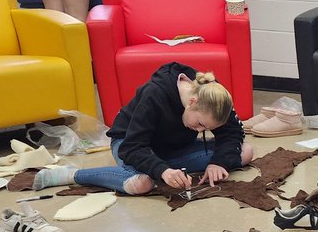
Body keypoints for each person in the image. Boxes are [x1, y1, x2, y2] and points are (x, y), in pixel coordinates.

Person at [33, 62, 253, 194]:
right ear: (192, 102)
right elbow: (133, 147)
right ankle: (73, 175)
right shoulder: (154, 94)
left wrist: (218, 161)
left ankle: (158, 168)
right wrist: (163, 171)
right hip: (129, 145)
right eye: (200, 125)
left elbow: (232, 132)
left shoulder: (214, 94)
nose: (199, 131)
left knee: (244, 152)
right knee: (141, 184)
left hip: (171, 149)